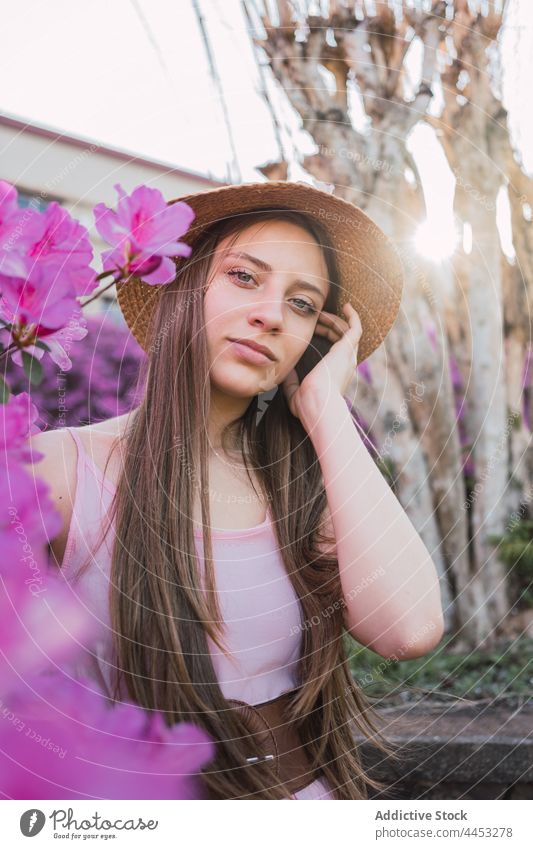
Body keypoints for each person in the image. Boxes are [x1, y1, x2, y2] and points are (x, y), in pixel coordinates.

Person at [28, 180, 444, 800]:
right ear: (184, 286)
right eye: (245, 277)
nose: (272, 314)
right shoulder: (64, 470)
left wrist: (323, 405)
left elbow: (408, 630)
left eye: (303, 305)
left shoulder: (301, 488)